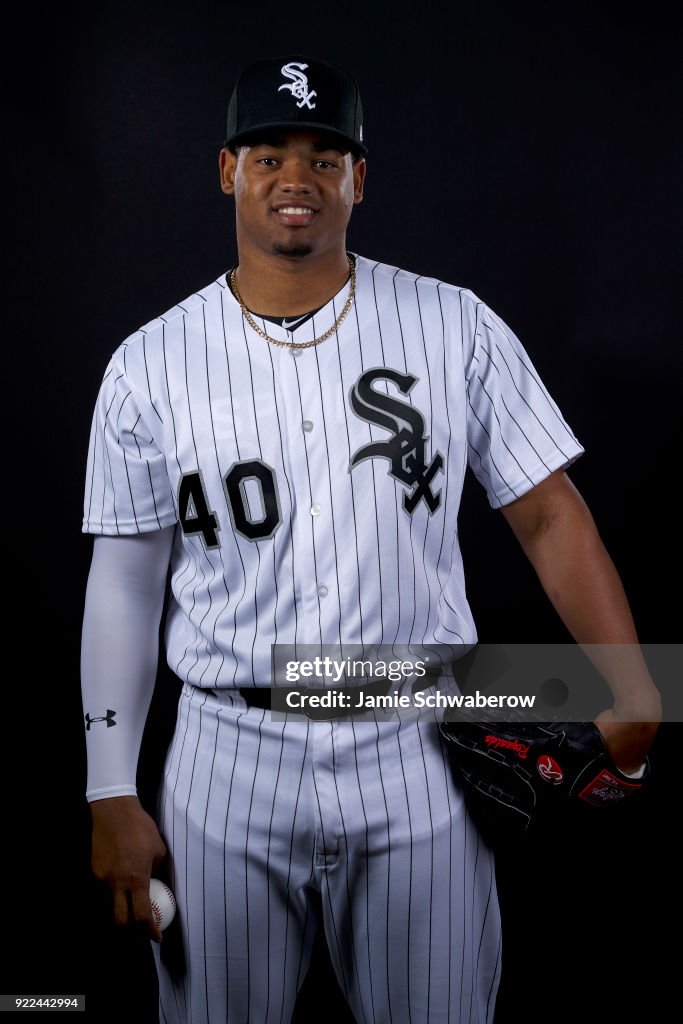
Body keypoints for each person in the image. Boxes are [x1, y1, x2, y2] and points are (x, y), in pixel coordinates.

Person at [80, 54, 661, 1023]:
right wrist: (108, 786)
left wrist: (632, 682)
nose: (295, 179)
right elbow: (126, 582)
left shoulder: (452, 325)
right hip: (226, 752)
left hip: (417, 744)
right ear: (226, 170)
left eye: (324, 154)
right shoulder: (148, 363)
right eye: (268, 155)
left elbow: (547, 511)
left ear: (361, 177)